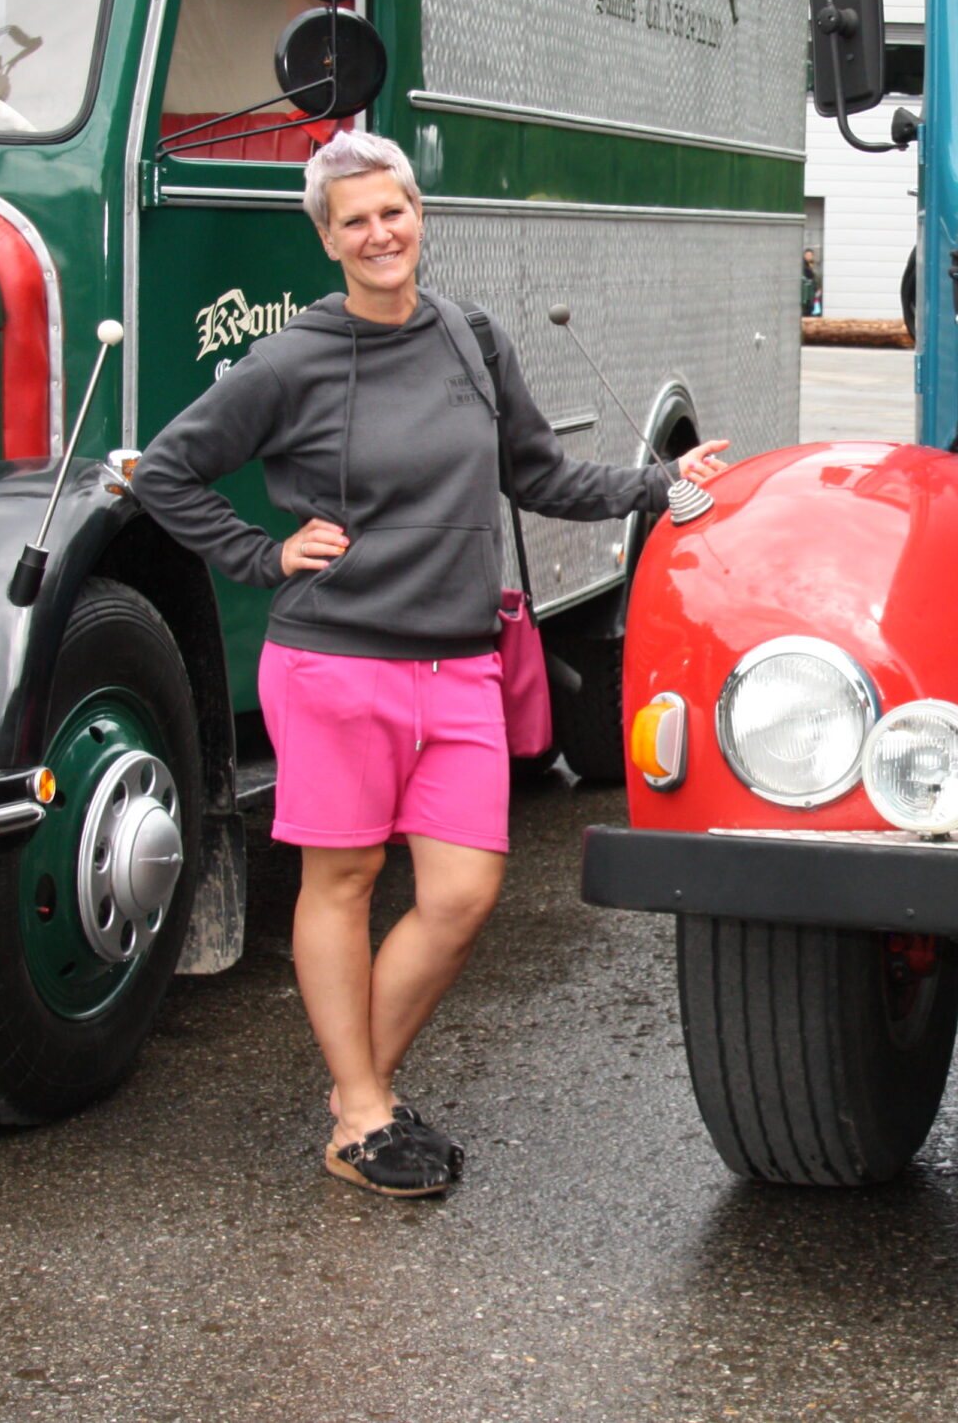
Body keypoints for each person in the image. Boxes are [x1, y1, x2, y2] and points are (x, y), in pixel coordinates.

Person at [131, 131, 730, 1196]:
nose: (380, 233)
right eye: (354, 220)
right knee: (345, 879)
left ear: (420, 215)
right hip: (335, 662)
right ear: (327, 239)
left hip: (460, 666)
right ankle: (365, 1112)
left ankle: (357, 1092)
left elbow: (537, 474)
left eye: (393, 211)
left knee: (462, 891)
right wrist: (262, 554)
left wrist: (660, 484)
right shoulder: (291, 360)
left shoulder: (470, 337)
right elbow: (165, 471)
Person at [800, 247, 822, 317]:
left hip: (814, 289)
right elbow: (811, 275)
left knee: (815, 303)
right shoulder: (803, 265)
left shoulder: (812, 264)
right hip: (807, 291)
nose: (808, 257)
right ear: (804, 255)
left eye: (810, 255)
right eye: (807, 255)